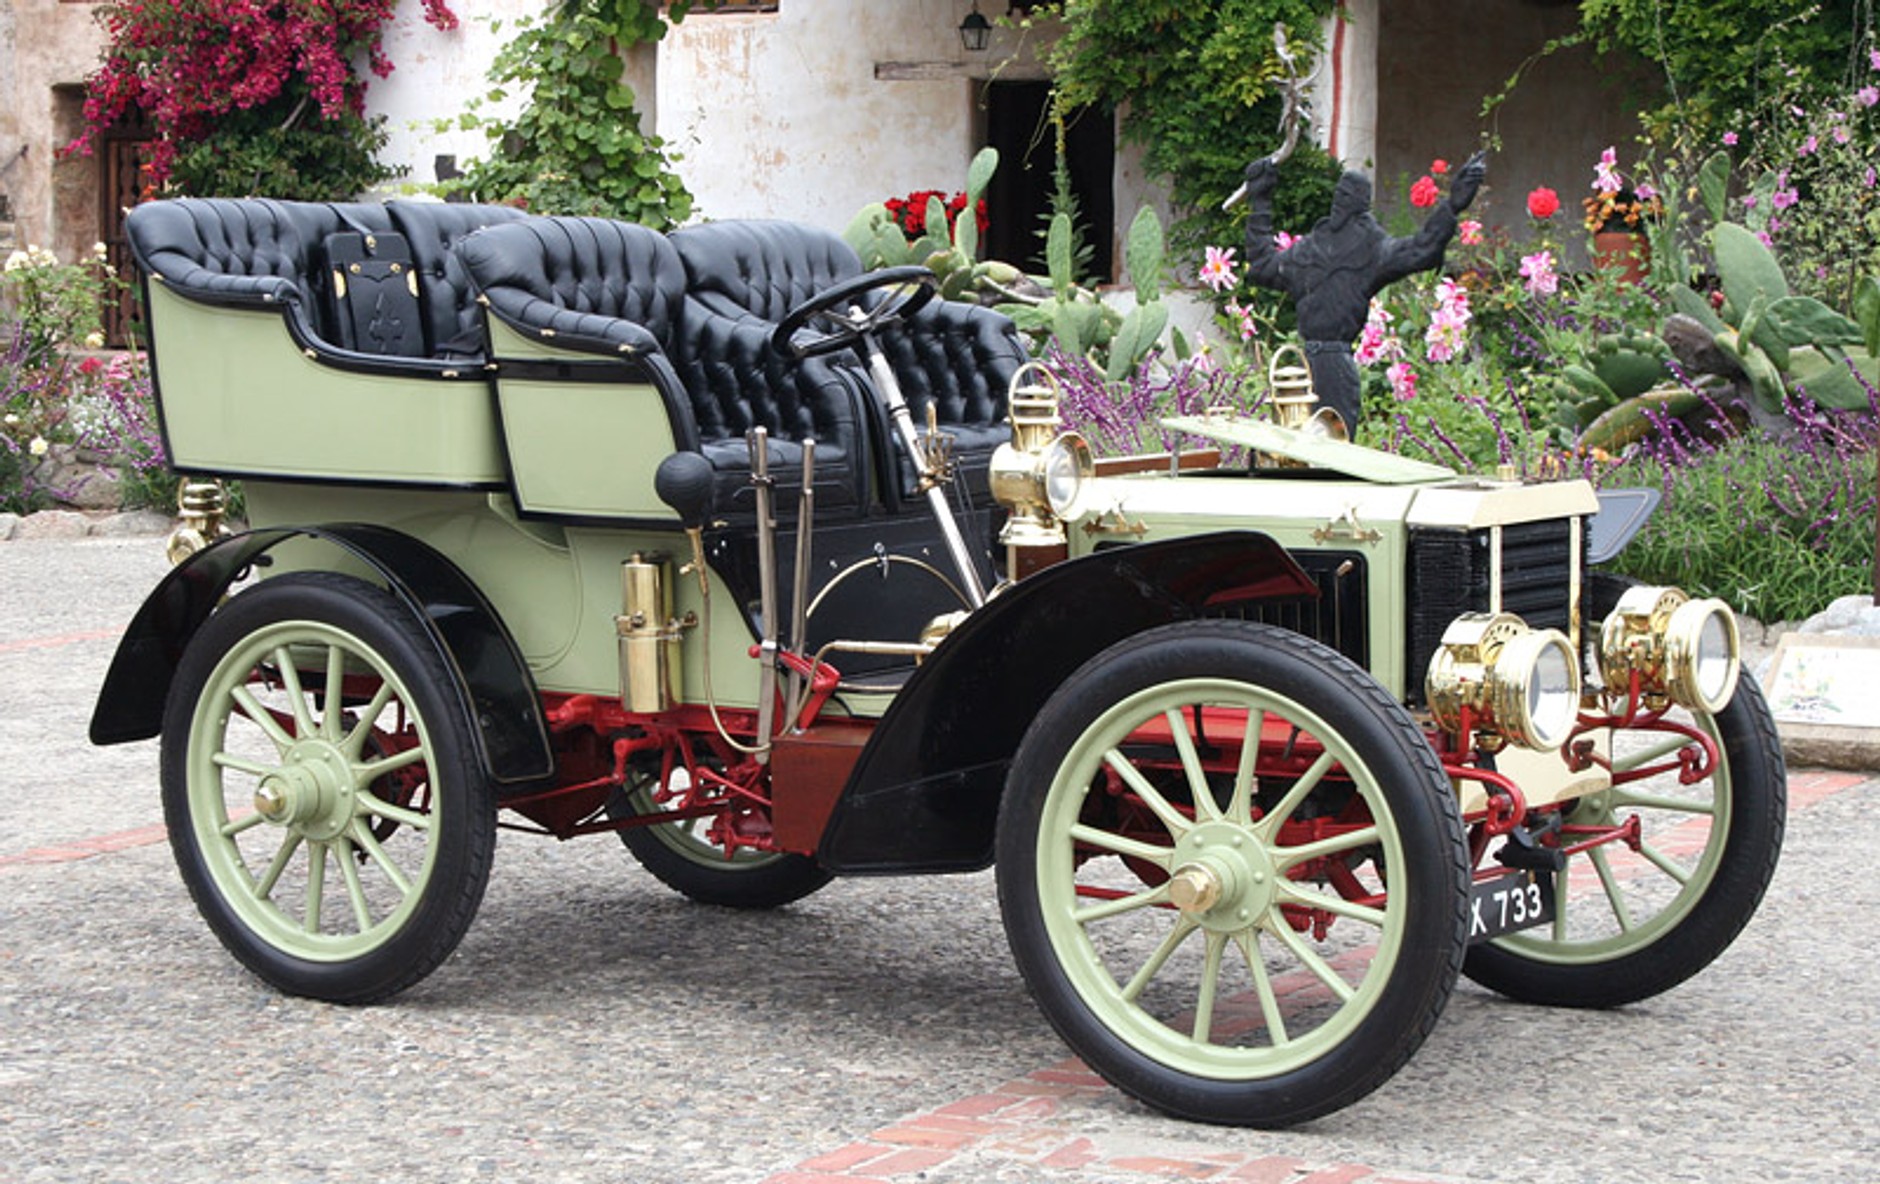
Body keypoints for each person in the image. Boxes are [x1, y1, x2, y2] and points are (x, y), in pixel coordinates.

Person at [1240, 152, 1485, 429]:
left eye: (1346, 197)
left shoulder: (1372, 251)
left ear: (1359, 205)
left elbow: (1421, 249)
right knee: (1294, 456)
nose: (1337, 204)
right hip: (1302, 367)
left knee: (1334, 454)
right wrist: (1260, 200)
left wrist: (1452, 206)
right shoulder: (1312, 248)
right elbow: (1263, 266)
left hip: (1335, 365)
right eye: (1337, 195)